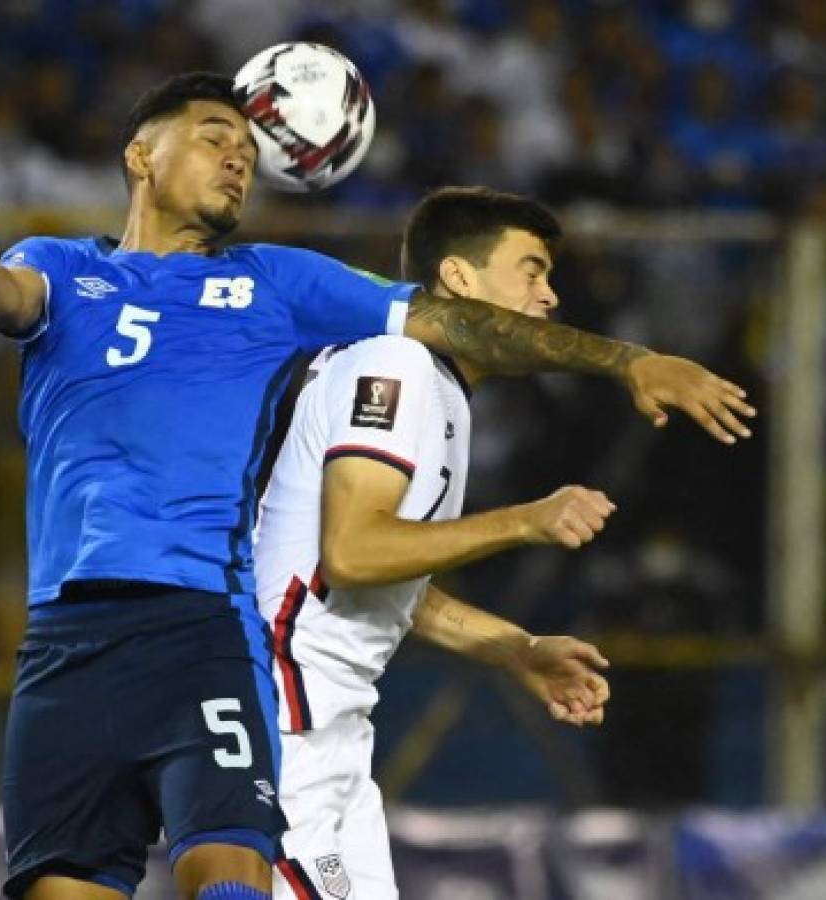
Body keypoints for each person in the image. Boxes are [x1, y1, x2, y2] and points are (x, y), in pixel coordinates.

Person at [0, 73, 754, 900]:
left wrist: (627, 360)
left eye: (249, 149)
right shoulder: (59, 266)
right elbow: (9, 298)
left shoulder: (278, 282)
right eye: (216, 139)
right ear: (141, 154)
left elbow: (451, 329)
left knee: (229, 874)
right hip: (69, 634)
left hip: (204, 625)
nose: (239, 159)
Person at [256, 186, 615, 899]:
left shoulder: (439, 388)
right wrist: (526, 520)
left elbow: (384, 579)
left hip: (332, 734)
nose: (549, 297)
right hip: (281, 721)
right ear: (458, 277)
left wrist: (516, 648)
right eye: (531, 270)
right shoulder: (397, 367)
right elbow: (353, 552)